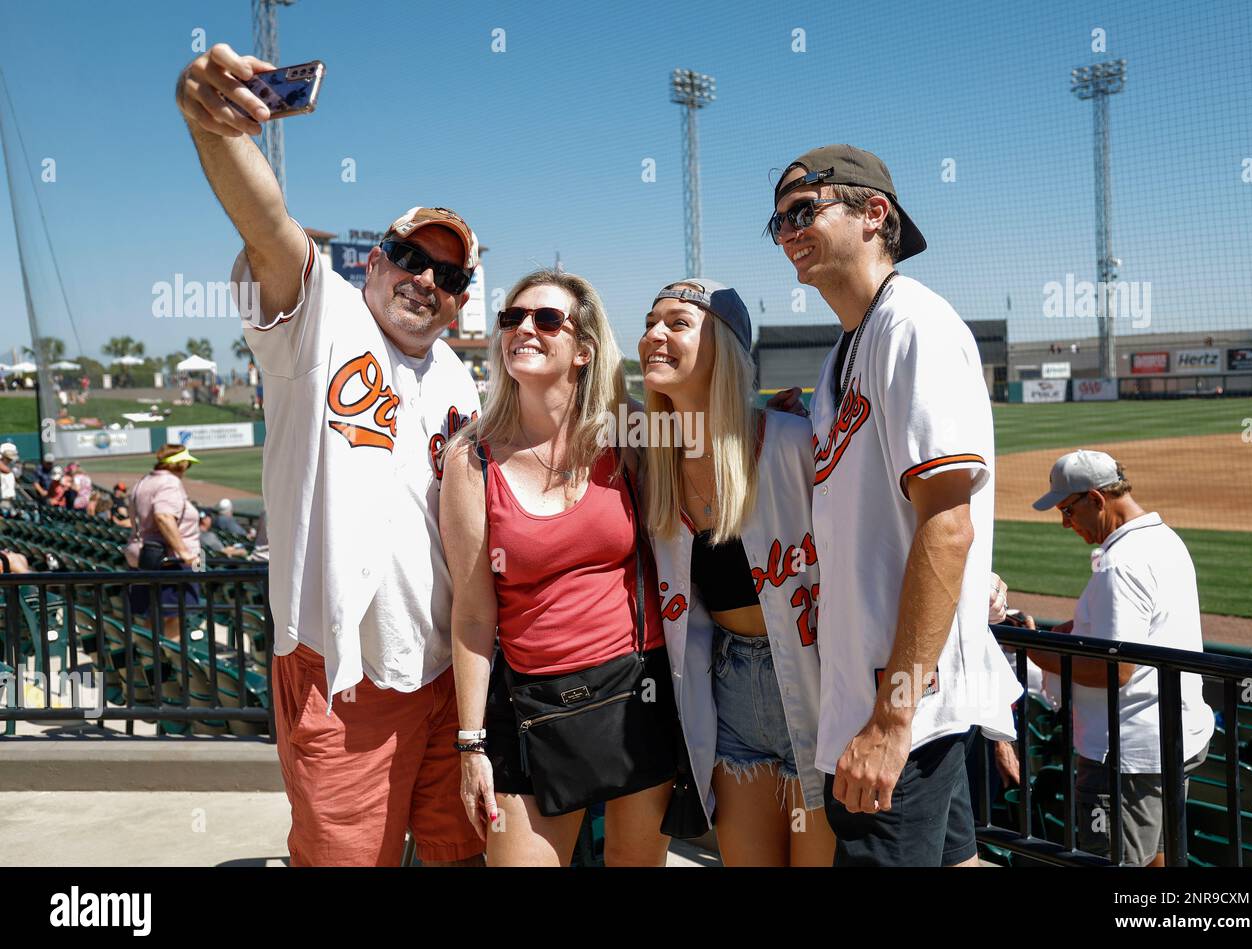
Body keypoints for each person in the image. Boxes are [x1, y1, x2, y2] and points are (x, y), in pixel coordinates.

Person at [178, 41, 486, 866]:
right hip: (341, 674)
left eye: (449, 276)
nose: (426, 280)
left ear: (460, 305)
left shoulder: (464, 384)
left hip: (445, 682)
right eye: (412, 258)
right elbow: (269, 228)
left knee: (459, 859)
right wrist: (214, 128)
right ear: (375, 262)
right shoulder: (326, 319)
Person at [770, 145, 1021, 866]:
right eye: (778, 222)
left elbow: (948, 527)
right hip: (888, 700)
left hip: (905, 709)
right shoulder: (845, 350)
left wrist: (892, 717)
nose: (787, 232)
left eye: (803, 210)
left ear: (875, 214)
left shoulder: (913, 327)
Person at [441, 269, 680, 867]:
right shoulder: (472, 461)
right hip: (531, 707)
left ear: (584, 351)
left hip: (638, 691)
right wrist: (472, 745)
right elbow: (472, 615)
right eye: (511, 318)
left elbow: (709, 454)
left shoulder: (626, 438)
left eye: (546, 320)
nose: (524, 328)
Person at [638, 278, 834, 866]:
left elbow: (883, 530)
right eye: (650, 322)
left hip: (820, 684)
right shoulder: (653, 463)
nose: (653, 335)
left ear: (723, 345)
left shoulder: (794, 442)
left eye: (677, 323)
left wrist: (983, 584)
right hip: (728, 693)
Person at [1027, 450, 1214, 866]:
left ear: (1096, 498)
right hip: (1171, 738)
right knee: (1159, 855)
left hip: (1125, 753)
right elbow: (1144, 633)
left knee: (1113, 862)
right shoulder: (1164, 539)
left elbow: (1117, 669)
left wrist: (1039, 651)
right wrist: (1078, 634)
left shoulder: (1120, 563)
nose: (1065, 523)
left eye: (1067, 510)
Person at [123, 444, 204, 640]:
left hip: (144, 557)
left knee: (153, 619)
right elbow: (164, 517)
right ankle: (172, 665)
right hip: (170, 562)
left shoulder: (144, 480)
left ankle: (157, 664)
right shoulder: (169, 483)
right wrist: (184, 553)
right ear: (181, 464)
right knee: (173, 619)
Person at [0, 443, 19, 513]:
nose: (10, 461)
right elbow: (5, 470)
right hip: (3, 500)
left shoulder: (11, 467)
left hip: (10, 499)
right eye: (8, 459)